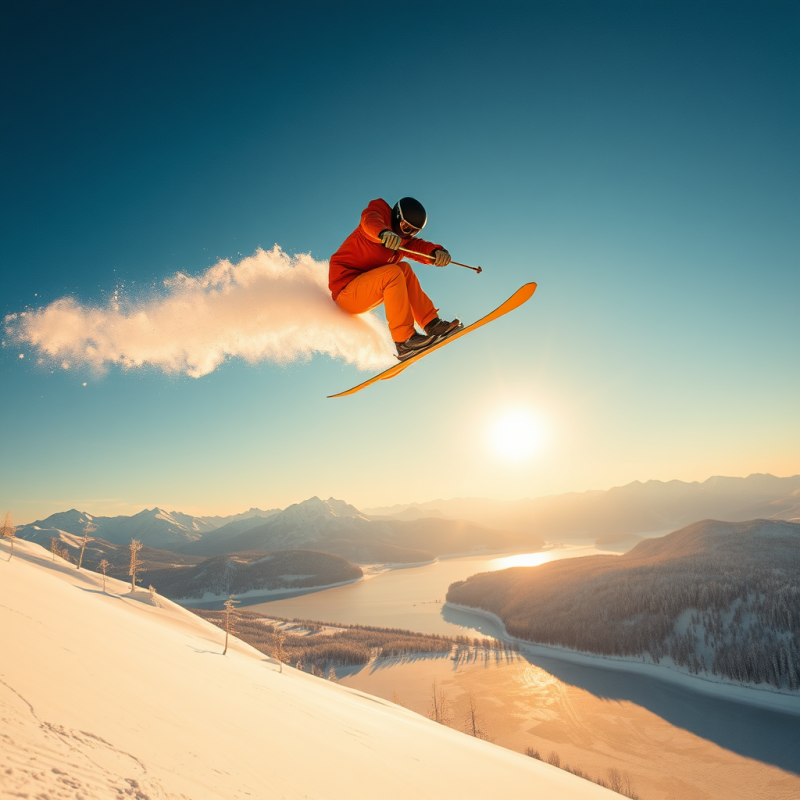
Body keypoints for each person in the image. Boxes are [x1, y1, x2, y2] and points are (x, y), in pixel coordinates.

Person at [329, 197, 462, 359]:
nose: (407, 234)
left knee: (404, 269)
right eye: (405, 227)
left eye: (413, 231)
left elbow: (419, 247)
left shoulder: (403, 240)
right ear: (396, 217)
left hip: (365, 287)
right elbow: (370, 221)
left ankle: (431, 324)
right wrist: (384, 233)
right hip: (346, 290)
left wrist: (435, 253)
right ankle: (404, 341)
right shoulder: (378, 213)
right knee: (393, 273)